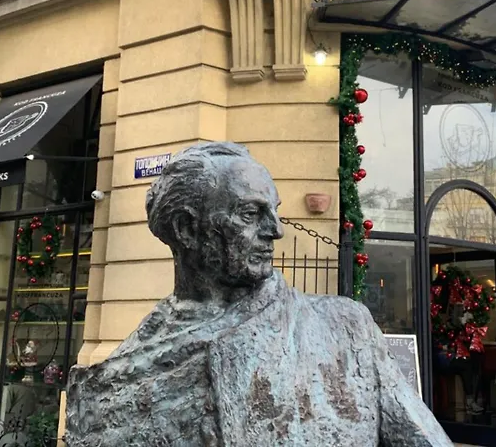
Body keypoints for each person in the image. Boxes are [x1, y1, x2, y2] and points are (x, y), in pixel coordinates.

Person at [65, 142, 452, 447]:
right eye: (250, 214)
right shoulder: (114, 381)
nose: (276, 231)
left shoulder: (345, 329)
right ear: (186, 229)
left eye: (274, 211)